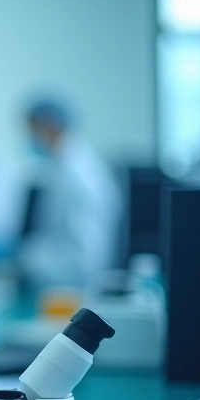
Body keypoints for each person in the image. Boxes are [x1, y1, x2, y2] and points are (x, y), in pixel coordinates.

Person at [18, 97, 121, 289]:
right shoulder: (63, 168)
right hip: (64, 285)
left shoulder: (79, 175)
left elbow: (86, 260)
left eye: (32, 131)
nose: (30, 139)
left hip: (77, 289)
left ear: (49, 126)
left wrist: (31, 259)